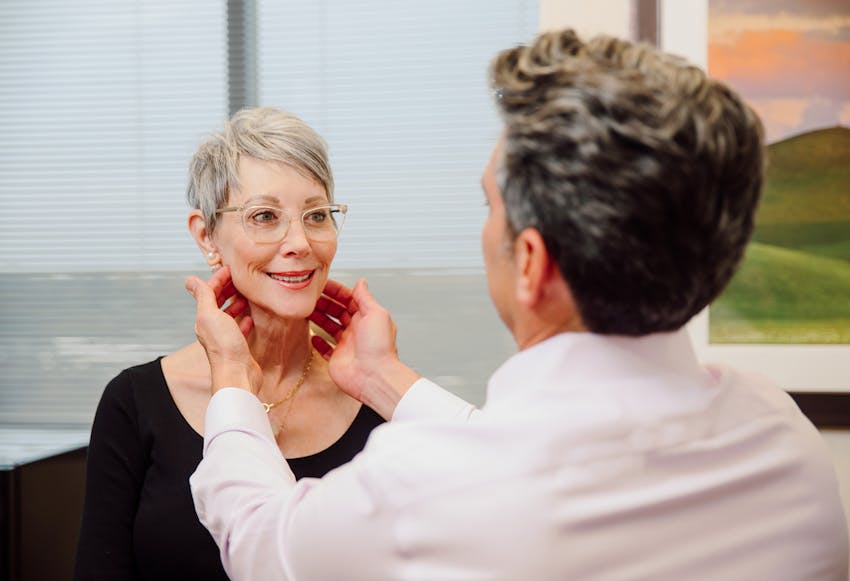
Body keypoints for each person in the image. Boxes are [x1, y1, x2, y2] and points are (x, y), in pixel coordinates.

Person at [186, 30, 849, 580]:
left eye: (488, 205)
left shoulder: (428, 488)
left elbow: (258, 540)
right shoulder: (784, 443)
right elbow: (524, 452)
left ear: (530, 262)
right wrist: (385, 377)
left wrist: (232, 382)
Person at [73, 107, 384, 581]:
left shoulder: (378, 401)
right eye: (265, 216)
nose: (299, 241)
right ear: (206, 235)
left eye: (316, 215)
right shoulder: (134, 402)